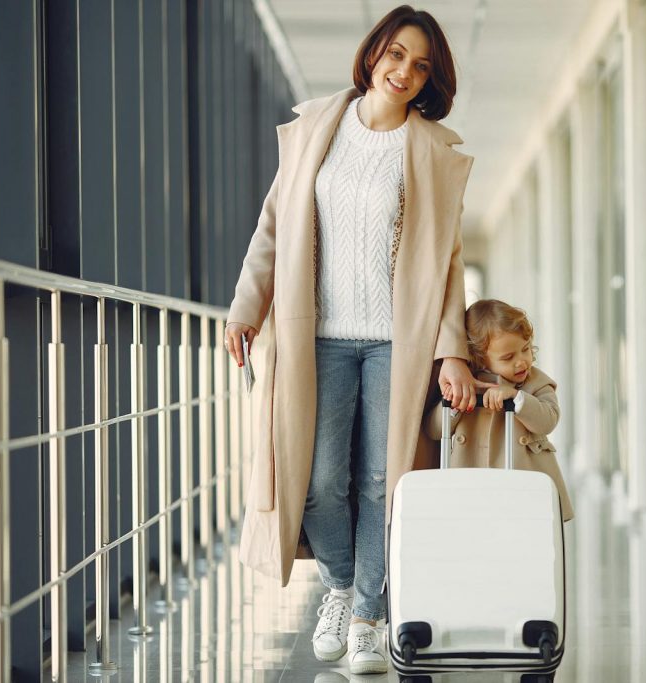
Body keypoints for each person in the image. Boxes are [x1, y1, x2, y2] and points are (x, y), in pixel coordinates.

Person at [221, 5, 494, 675]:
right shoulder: (318, 125)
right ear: (374, 53)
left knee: (382, 481)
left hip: (394, 345)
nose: (405, 70)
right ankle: (340, 588)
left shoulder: (429, 151)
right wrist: (244, 306)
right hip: (315, 338)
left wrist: (451, 348)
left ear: (431, 78)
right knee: (315, 481)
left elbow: (448, 261)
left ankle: (370, 616)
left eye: (421, 64)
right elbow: (274, 227)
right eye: (397, 54)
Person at [425, 299, 575, 521]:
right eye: (508, 357)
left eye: (525, 349)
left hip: (525, 487)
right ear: (479, 358)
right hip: (472, 485)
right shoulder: (466, 385)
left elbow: (548, 421)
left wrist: (517, 397)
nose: (522, 362)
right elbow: (434, 431)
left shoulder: (537, 383)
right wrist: (455, 405)